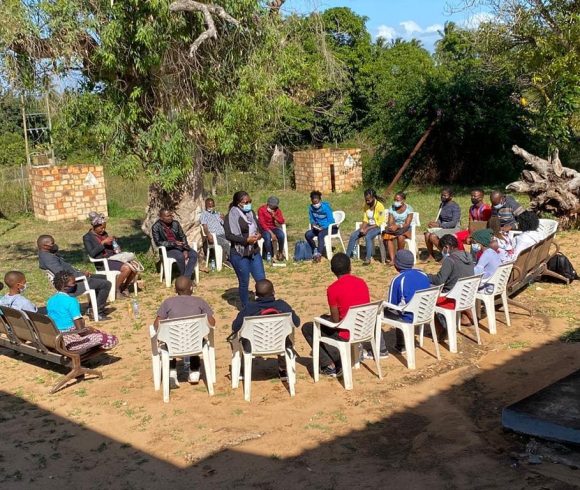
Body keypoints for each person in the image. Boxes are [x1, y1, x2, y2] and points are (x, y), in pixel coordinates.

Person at [302, 253, 388, 377]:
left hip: (346, 334)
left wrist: (324, 318)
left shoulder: (333, 289)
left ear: (332, 270)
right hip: (364, 329)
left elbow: (335, 321)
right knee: (323, 320)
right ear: (350, 267)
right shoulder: (361, 282)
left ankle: (329, 365)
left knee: (308, 328)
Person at [231, 279, 300, 380]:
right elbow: (296, 322)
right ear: (273, 292)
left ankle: (243, 370)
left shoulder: (250, 308)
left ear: (255, 294)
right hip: (279, 343)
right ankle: (283, 369)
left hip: (254, 345)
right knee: (283, 336)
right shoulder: (282, 305)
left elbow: (235, 327)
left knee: (242, 338)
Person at [154, 276, 215, 385]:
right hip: (195, 343)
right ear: (191, 288)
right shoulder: (199, 302)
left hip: (173, 344)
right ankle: (194, 372)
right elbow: (212, 323)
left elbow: (157, 324)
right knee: (196, 336)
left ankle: (171, 372)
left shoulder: (168, 303)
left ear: (175, 290)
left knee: (167, 340)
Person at [38, 235, 112, 321]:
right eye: (52, 243)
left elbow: (66, 269)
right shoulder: (48, 258)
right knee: (106, 284)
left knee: (103, 278)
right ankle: (98, 313)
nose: (55, 245)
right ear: (45, 246)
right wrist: (81, 275)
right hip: (72, 284)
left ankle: (92, 308)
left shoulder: (46, 254)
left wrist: (80, 271)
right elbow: (63, 275)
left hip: (75, 277)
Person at [46, 271, 118, 353]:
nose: (76, 285)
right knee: (111, 339)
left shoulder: (50, 300)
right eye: (74, 283)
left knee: (98, 332)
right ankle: (86, 353)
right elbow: (80, 329)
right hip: (69, 341)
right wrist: (91, 330)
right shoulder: (71, 301)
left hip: (55, 337)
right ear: (65, 286)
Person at [383, 250, 431, 354]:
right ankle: (401, 344)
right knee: (402, 306)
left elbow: (392, 305)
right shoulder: (423, 274)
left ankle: (395, 347)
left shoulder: (398, 279)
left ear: (396, 264)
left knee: (383, 312)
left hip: (409, 317)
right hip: (425, 312)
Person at [224, 190, 265, 308]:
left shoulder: (251, 213)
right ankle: (245, 306)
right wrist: (245, 240)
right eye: (246, 202)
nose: (248, 204)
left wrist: (259, 235)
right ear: (238, 203)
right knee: (244, 282)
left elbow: (259, 227)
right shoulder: (230, 216)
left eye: (250, 201)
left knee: (261, 280)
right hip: (239, 253)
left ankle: (263, 303)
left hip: (254, 251)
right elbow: (229, 235)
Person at [83, 211, 138, 298]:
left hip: (113, 258)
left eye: (104, 228)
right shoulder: (87, 237)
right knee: (126, 268)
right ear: (94, 226)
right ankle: (115, 290)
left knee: (134, 266)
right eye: (101, 228)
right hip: (103, 262)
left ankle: (124, 287)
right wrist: (103, 243)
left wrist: (114, 244)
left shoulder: (104, 234)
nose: (103, 230)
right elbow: (92, 253)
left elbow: (110, 248)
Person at [428, 234, 475, 328]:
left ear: (446, 247)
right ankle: (464, 318)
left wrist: (427, 276)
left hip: (451, 296)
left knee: (428, 293)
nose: (442, 252)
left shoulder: (450, 260)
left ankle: (442, 329)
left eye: (442, 249)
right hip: (467, 295)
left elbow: (439, 280)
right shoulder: (468, 256)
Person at [152, 209, 198, 280]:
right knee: (180, 256)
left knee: (194, 254)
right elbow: (158, 242)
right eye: (168, 216)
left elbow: (183, 236)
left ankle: (186, 277)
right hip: (168, 249)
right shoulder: (156, 227)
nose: (170, 217)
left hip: (181, 247)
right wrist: (173, 243)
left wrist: (185, 249)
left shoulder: (175, 223)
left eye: (171, 215)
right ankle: (185, 278)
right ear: (161, 218)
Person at [345, 189, 386, 265]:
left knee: (368, 236)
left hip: (378, 227)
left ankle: (368, 258)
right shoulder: (366, 206)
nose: (367, 202)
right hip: (369, 225)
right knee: (354, 235)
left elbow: (379, 222)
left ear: (373, 198)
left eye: (369, 200)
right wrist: (362, 229)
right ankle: (347, 256)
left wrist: (367, 229)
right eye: (366, 200)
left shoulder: (380, 206)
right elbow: (365, 219)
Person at [424, 188, 462, 261]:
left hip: (453, 228)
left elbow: (454, 223)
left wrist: (439, 225)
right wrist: (435, 223)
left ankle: (448, 256)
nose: (442, 197)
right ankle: (431, 255)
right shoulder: (442, 205)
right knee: (427, 234)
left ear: (451, 196)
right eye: (442, 195)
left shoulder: (455, 206)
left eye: (445, 195)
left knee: (433, 236)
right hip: (443, 226)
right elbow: (440, 219)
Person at [382, 191, 414, 265]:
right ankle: (393, 259)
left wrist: (398, 226)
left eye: (398, 200)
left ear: (403, 200)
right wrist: (391, 226)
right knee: (388, 237)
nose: (396, 202)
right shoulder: (392, 208)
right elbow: (390, 221)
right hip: (395, 229)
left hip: (406, 229)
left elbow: (407, 223)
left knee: (400, 237)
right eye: (395, 200)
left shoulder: (409, 209)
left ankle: (399, 257)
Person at [305, 190, 336, 263]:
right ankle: (315, 249)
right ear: (311, 200)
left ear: (320, 200)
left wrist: (323, 227)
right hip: (318, 228)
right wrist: (313, 224)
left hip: (331, 228)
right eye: (313, 201)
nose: (315, 203)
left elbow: (331, 221)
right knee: (308, 234)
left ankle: (319, 255)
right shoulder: (311, 208)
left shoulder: (326, 207)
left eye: (317, 201)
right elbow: (312, 218)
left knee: (320, 234)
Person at [200, 197, 231, 263]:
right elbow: (205, 227)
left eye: (212, 206)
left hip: (223, 234)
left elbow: (224, 224)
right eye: (209, 206)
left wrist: (224, 219)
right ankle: (231, 260)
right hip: (214, 236)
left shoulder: (217, 213)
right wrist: (208, 235)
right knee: (225, 243)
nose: (211, 207)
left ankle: (237, 259)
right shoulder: (204, 214)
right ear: (206, 206)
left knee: (235, 240)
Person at [257, 196, 286, 262]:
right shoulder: (261, 210)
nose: (273, 207)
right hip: (263, 229)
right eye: (272, 206)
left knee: (281, 235)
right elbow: (262, 224)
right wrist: (272, 234)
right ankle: (269, 255)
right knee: (267, 236)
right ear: (268, 204)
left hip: (273, 227)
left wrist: (275, 216)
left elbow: (282, 221)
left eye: (275, 206)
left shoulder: (277, 210)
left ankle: (280, 252)